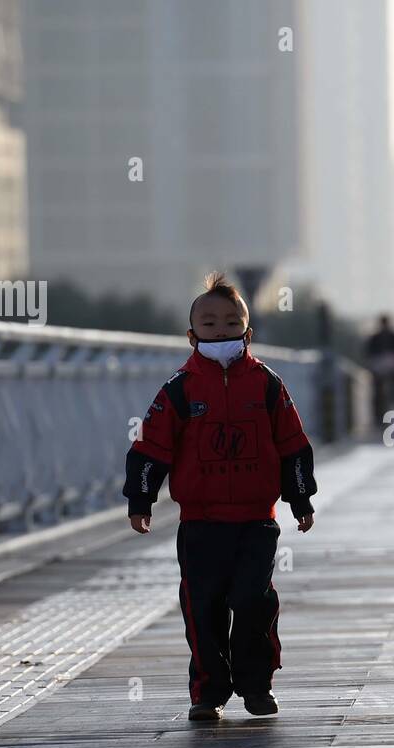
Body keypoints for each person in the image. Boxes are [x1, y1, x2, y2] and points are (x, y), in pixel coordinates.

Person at [123, 272, 317, 721]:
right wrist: (141, 500)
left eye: (232, 322)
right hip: (200, 523)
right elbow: (151, 446)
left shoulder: (267, 385)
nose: (221, 330)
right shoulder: (179, 389)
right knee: (202, 605)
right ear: (191, 335)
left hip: (256, 521)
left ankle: (256, 686)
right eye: (209, 324)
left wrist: (300, 499)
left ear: (247, 331)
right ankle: (208, 692)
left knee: (253, 601)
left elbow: (292, 443)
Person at [363, 313, 394, 426]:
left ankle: (393, 414)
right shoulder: (377, 337)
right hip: (378, 369)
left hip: (392, 368)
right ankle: (379, 418)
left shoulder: (392, 337)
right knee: (378, 393)